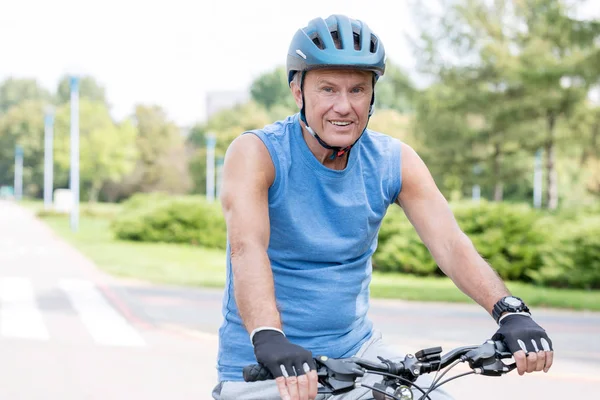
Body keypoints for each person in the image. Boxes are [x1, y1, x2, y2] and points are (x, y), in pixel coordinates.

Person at [212, 14, 554, 400]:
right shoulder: (258, 153)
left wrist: (509, 310)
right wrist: (269, 336)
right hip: (267, 365)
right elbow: (247, 247)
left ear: (371, 96)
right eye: (327, 89)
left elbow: (450, 243)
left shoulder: (394, 159)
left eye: (357, 90)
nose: (343, 106)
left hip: (358, 356)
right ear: (298, 91)